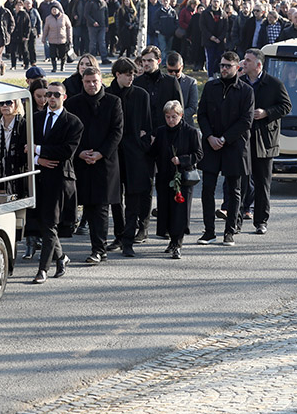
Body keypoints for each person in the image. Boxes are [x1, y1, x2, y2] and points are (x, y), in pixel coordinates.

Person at [64, 67, 124, 265]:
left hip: (104, 162)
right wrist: (79, 152)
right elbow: (69, 131)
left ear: (101, 81)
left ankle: (99, 250)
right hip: (81, 161)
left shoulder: (113, 102)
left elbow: (117, 132)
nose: (91, 85)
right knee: (87, 205)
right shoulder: (73, 103)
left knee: (100, 207)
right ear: (82, 81)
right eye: (88, 81)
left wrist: (100, 153)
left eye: (95, 81)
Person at [196, 50, 254, 246]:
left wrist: (224, 138)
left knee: (234, 190)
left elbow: (246, 120)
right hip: (211, 144)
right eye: (221, 65)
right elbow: (201, 113)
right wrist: (210, 137)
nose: (223, 69)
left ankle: (229, 231)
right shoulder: (211, 87)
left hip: (234, 145)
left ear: (237, 67)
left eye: (227, 66)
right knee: (207, 189)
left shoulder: (246, 91)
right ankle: (209, 231)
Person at [30, 81, 83, 284]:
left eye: (56, 95)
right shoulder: (36, 118)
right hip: (39, 175)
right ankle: (61, 257)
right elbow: (24, 146)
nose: (51, 98)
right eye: (48, 94)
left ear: (64, 97)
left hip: (60, 178)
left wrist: (38, 149)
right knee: (44, 223)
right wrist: (38, 158)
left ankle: (42, 269)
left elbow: (66, 152)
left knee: (50, 222)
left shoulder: (74, 122)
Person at [238, 48, 291, 234]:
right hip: (242, 140)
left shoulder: (274, 84)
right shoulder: (240, 82)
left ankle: (261, 221)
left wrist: (267, 112)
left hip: (265, 141)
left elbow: (286, 106)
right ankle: (236, 219)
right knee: (240, 181)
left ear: (258, 65)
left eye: (248, 61)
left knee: (262, 183)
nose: (244, 63)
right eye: (244, 60)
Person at [106, 58, 153, 257]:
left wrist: (142, 144)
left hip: (135, 153)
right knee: (115, 198)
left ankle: (128, 240)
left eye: (133, 74)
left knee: (133, 197)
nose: (131, 77)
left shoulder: (141, 95)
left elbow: (147, 125)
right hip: (114, 154)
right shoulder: (107, 95)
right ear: (118, 74)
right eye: (128, 74)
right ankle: (119, 234)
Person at [0, 97, 34, 256]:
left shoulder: (23, 124)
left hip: (17, 174)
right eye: (1, 103)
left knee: (17, 213)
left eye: (9, 102)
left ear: (16, 104)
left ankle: (23, 245)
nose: (5, 106)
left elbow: (27, 149)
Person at [152, 100, 203, 259]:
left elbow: (199, 154)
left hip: (183, 177)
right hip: (165, 176)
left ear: (181, 115)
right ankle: (171, 240)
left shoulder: (191, 132)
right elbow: (153, 152)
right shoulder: (161, 132)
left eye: (174, 117)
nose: (170, 120)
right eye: (167, 117)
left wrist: (182, 160)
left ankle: (178, 243)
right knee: (166, 209)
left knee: (180, 211)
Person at [165, 51, 198, 126]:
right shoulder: (162, 81)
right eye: (170, 71)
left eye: (177, 71)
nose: (173, 74)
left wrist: (176, 117)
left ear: (182, 67)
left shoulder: (191, 82)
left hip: (185, 125)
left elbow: (193, 107)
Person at [41, 3, 72, 73]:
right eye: (53, 9)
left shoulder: (64, 17)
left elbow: (69, 28)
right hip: (52, 40)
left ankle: (62, 66)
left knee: (63, 54)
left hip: (62, 39)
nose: (54, 11)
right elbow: (45, 29)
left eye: (55, 9)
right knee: (53, 55)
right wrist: (43, 38)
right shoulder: (48, 18)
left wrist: (69, 39)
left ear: (59, 10)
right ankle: (54, 67)